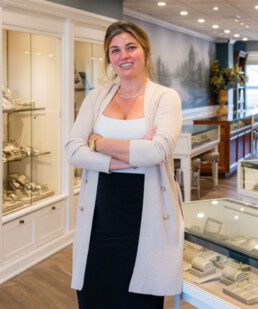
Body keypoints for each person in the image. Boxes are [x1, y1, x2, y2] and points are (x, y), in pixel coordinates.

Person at [65, 21, 183, 308]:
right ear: (109, 58)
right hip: (98, 224)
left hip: (146, 223)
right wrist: (126, 159)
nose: (124, 55)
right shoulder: (96, 97)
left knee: (140, 302)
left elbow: (157, 151)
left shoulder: (166, 97)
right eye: (115, 50)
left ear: (144, 51)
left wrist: (98, 142)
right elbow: (72, 150)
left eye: (131, 47)